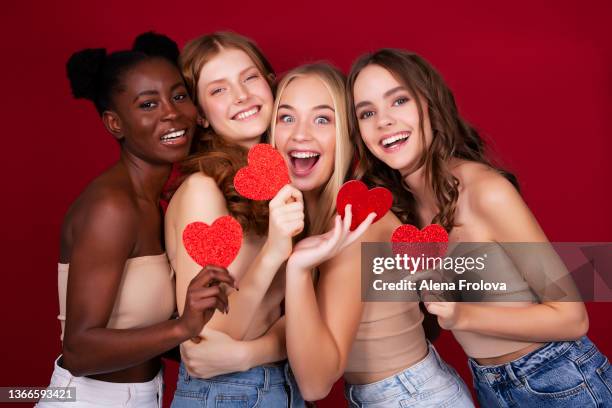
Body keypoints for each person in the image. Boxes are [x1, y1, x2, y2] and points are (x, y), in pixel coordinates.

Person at [347, 48, 612, 407]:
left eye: (399, 101)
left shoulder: (486, 191)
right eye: (367, 112)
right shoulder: (401, 210)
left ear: (429, 104)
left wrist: (463, 315)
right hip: (490, 386)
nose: (383, 121)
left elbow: (572, 317)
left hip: (559, 379)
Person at [38, 32, 235, 408]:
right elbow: (78, 351)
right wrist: (183, 326)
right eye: (148, 104)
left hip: (142, 396)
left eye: (179, 96)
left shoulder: (156, 202)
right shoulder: (112, 207)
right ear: (115, 124)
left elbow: (141, 329)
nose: (172, 112)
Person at [272, 63, 474, 407]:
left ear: (350, 135)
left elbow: (315, 384)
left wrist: (297, 269)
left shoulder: (356, 223)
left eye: (323, 119)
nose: (300, 134)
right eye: (287, 118)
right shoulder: (304, 219)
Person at [165, 32, 304, 407]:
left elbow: (314, 316)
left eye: (249, 77)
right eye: (218, 90)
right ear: (200, 116)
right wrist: (273, 250)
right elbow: (207, 339)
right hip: (226, 393)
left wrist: (253, 352)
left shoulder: (296, 176)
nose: (241, 96)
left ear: (271, 82)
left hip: (282, 383)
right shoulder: (202, 191)